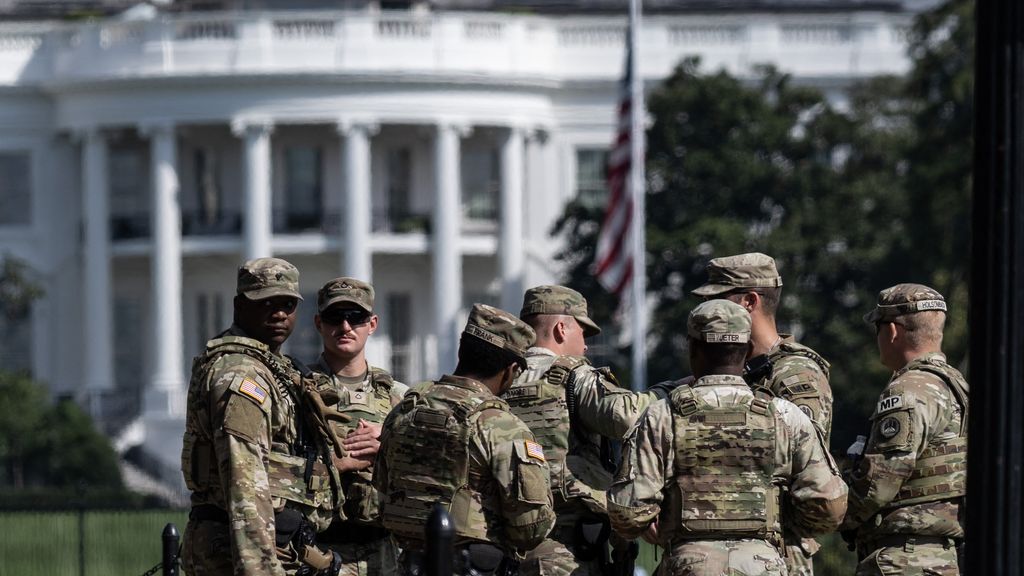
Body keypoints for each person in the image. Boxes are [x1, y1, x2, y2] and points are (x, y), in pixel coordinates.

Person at [608, 299, 847, 576]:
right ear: (747, 351)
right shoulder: (785, 416)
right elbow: (829, 507)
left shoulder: (662, 416)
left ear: (693, 349)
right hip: (764, 565)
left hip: (688, 565)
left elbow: (628, 514)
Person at [181, 257, 341, 576]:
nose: (279, 313)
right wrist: (259, 569)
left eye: (287, 304)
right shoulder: (241, 376)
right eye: (266, 302)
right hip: (238, 549)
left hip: (278, 542)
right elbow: (244, 481)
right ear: (240, 306)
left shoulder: (267, 365)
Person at [503, 285, 675, 576]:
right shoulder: (572, 375)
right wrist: (672, 390)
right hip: (567, 547)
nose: (585, 347)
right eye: (582, 333)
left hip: (506, 543)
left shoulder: (502, 377)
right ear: (561, 329)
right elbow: (626, 416)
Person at [375, 303, 556, 575]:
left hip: (406, 564)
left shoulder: (405, 408)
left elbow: (382, 484)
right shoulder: (501, 426)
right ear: (510, 370)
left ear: (462, 351)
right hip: (474, 566)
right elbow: (530, 527)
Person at [692, 252, 833, 574]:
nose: (706, 311)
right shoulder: (732, 371)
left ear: (749, 301)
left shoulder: (794, 373)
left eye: (719, 299)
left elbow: (808, 466)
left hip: (777, 548)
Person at [840, 284, 967, 575]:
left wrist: (827, 514)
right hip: (944, 558)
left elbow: (879, 484)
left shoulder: (909, 390)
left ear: (892, 331)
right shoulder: (957, 387)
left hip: (904, 560)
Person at [310, 277, 408, 575]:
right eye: (334, 317)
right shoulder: (298, 392)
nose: (345, 326)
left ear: (373, 323)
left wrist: (388, 447)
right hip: (320, 549)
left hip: (382, 550)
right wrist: (334, 464)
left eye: (356, 317)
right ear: (318, 323)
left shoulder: (399, 397)